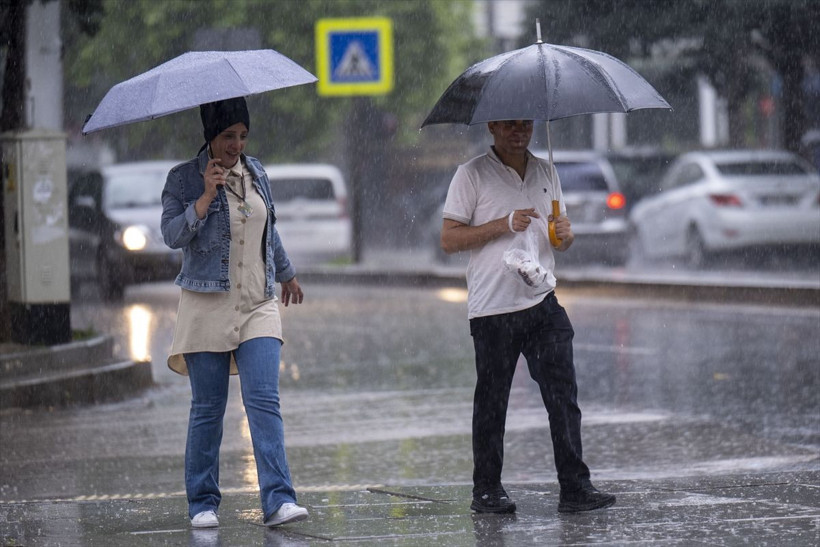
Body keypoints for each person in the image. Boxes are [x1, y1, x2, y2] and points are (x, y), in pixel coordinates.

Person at [440, 119, 616, 514]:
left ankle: (575, 487)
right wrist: (502, 225)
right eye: (510, 124)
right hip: (493, 309)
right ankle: (486, 490)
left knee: (563, 395)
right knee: (492, 402)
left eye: (526, 123)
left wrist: (563, 234)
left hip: (541, 302)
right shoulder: (471, 175)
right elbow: (450, 239)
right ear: (492, 126)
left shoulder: (547, 171)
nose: (519, 130)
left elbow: (559, 240)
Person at [161, 97, 308, 529]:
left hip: (257, 303)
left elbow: (269, 229)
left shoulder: (256, 171)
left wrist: (287, 274)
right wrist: (205, 196)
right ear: (210, 135)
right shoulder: (184, 179)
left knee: (264, 400)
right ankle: (202, 503)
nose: (236, 145)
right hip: (206, 303)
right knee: (208, 408)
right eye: (228, 136)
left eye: (243, 136)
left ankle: (279, 500)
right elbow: (172, 235)